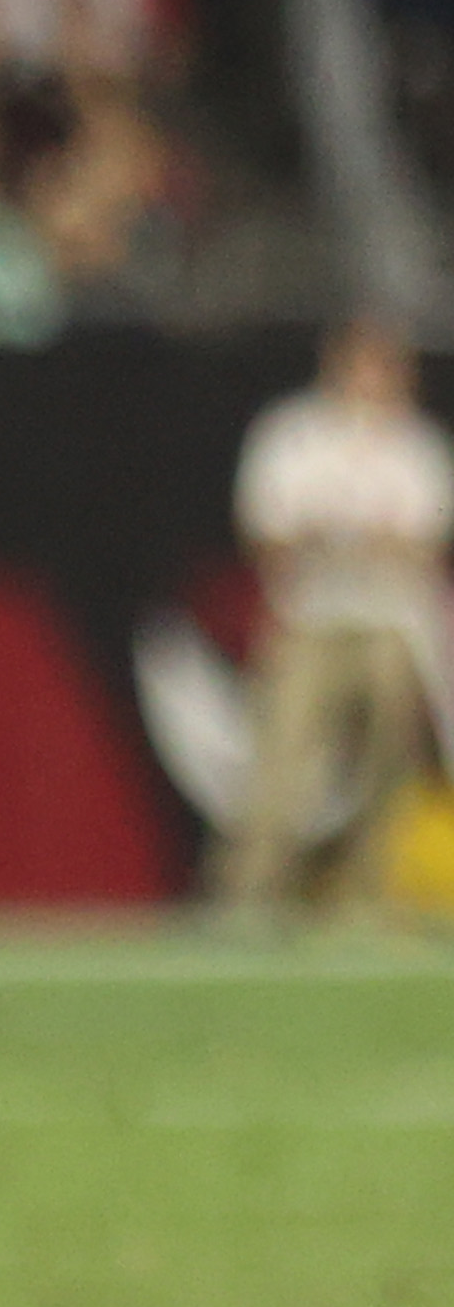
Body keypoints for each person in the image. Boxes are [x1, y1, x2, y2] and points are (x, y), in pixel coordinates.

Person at [215, 314, 453, 924]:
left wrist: (374, 543)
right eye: (366, 364)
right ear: (339, 366)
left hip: (391, 626)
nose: (377, 379)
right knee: (282, 763)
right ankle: (248, 897)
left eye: (390, 367)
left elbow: (426, 545)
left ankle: (369, 899)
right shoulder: (292, 434)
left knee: (387, 766)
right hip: (311, 620)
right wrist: (325, 537)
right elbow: (264, 533)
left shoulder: (418, 446)